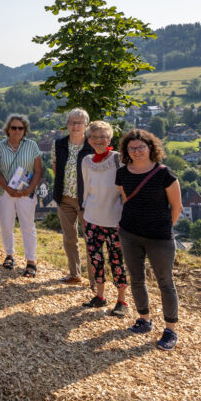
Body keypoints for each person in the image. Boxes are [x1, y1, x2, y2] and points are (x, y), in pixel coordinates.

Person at [116, 129, 183, 351]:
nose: (137, 151)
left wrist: (164, 227)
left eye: (141, 147)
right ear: (126, 150)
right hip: (129, 232)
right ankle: (144, 319)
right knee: (136, 278)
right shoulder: (122, 173)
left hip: (159, 237)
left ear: (151, 148)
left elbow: (177, 206)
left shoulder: (165, 173)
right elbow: (126, 200)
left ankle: (170, 329)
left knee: (165, 282)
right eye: (132, 148)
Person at [80, 121, 129, 316]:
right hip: (92, 218)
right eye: (94, 137)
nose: (99, 140)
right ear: (89, 139)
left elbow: (125, 189)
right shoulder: (86, 161)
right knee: (95, 260)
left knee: (117, 261)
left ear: (110, 139)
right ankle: (100, 296)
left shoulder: (119, 160)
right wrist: (84, 211)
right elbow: (86, 187)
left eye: (103, 137)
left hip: (115, 220)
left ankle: (122, 301)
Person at [0, 114, 42, 277]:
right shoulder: (0, 146)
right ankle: (9, 255)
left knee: (28, 226)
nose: (17, 130)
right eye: (14, 127)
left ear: (25, 130)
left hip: (26, 193)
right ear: (8, 129)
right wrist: (7, 188)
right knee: (6, 225)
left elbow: (38, 170)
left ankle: (31, 261)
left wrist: (28, 190)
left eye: (20, 128)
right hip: (6, 193)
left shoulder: (32, 145)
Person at [53, 108, 95, 286]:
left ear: (86, 125)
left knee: (91, 240)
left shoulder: (92, 146)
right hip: (65, 198)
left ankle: (95, 280)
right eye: (71, 122)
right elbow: (56, 167)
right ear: (67, 124)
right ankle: (74, 274)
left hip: (88, 200)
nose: (75, 126)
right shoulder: (60, 144)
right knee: (69, 238)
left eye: (79, 122)